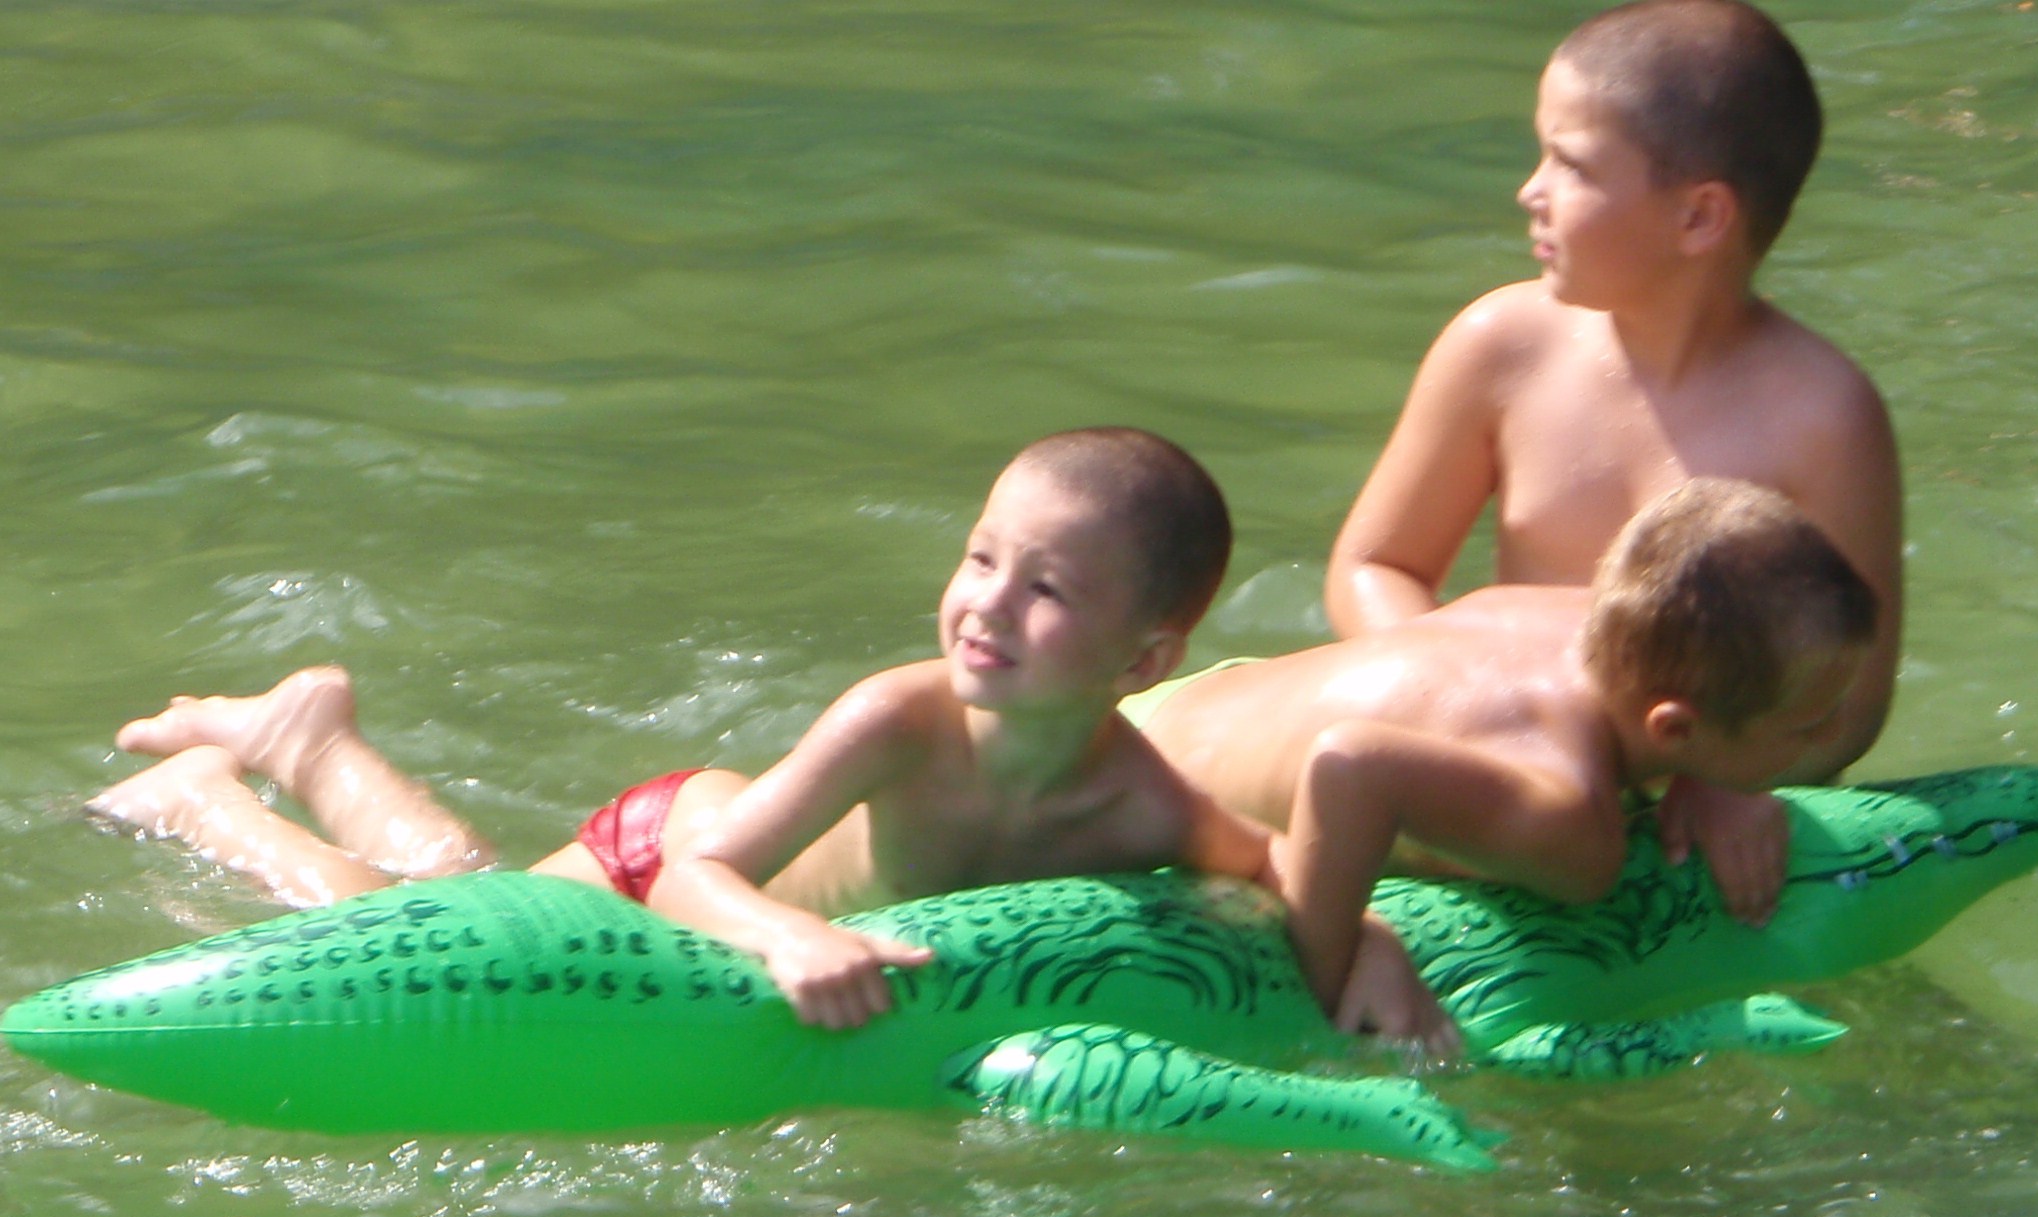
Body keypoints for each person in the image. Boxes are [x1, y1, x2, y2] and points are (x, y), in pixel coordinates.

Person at [93, 427, 1448, 1045]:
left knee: (457, 880)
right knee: (425, 931)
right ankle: (219, 795)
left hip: (740, 870)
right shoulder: (901, 718)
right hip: (676, 855)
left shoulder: (1140, 800)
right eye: (981, 557)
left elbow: (1277, 863)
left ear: (1145, 662)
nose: (986, 604)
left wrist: (1370, 944)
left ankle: (311, 737)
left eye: (1046, 591)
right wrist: (788, 936)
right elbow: (701, 876)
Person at [1321, 0, 1901, 924]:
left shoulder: (1824, 416)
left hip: (1706, 816)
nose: (1531, 190)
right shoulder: (1500, 347)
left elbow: (1854, 700)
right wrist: (1459, 704)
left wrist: (1729, 775)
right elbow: (1376, 563)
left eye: (1573, 165)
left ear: (1700, 216)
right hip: (1513, 779)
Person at [1140, 478, 1878, 1015]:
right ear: (1675, 728)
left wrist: (1703, 776)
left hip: (1198, 697)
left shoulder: (1595, 621)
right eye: (1807, 725)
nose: (1833, 734)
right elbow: (1350, 768)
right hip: (1151, 786)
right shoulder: (1570, 820)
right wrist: (1327, 977)